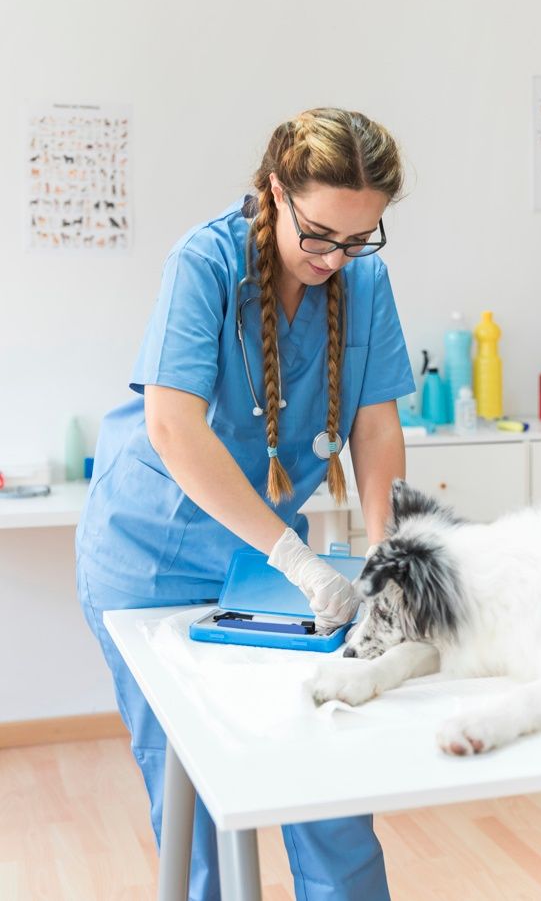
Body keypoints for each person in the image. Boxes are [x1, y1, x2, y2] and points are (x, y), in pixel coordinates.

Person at [76, 106, 415, 901]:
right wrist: (294, 556)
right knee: (195, 796)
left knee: (325, 767)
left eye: (359, 238)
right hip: (149, 555)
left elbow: (376, 429)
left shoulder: (363, 280)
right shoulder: (204, 263)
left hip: (257, 564)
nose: (338, 257)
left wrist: (387, 561)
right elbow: (171, 426)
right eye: (322, 235)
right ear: (275, 192)